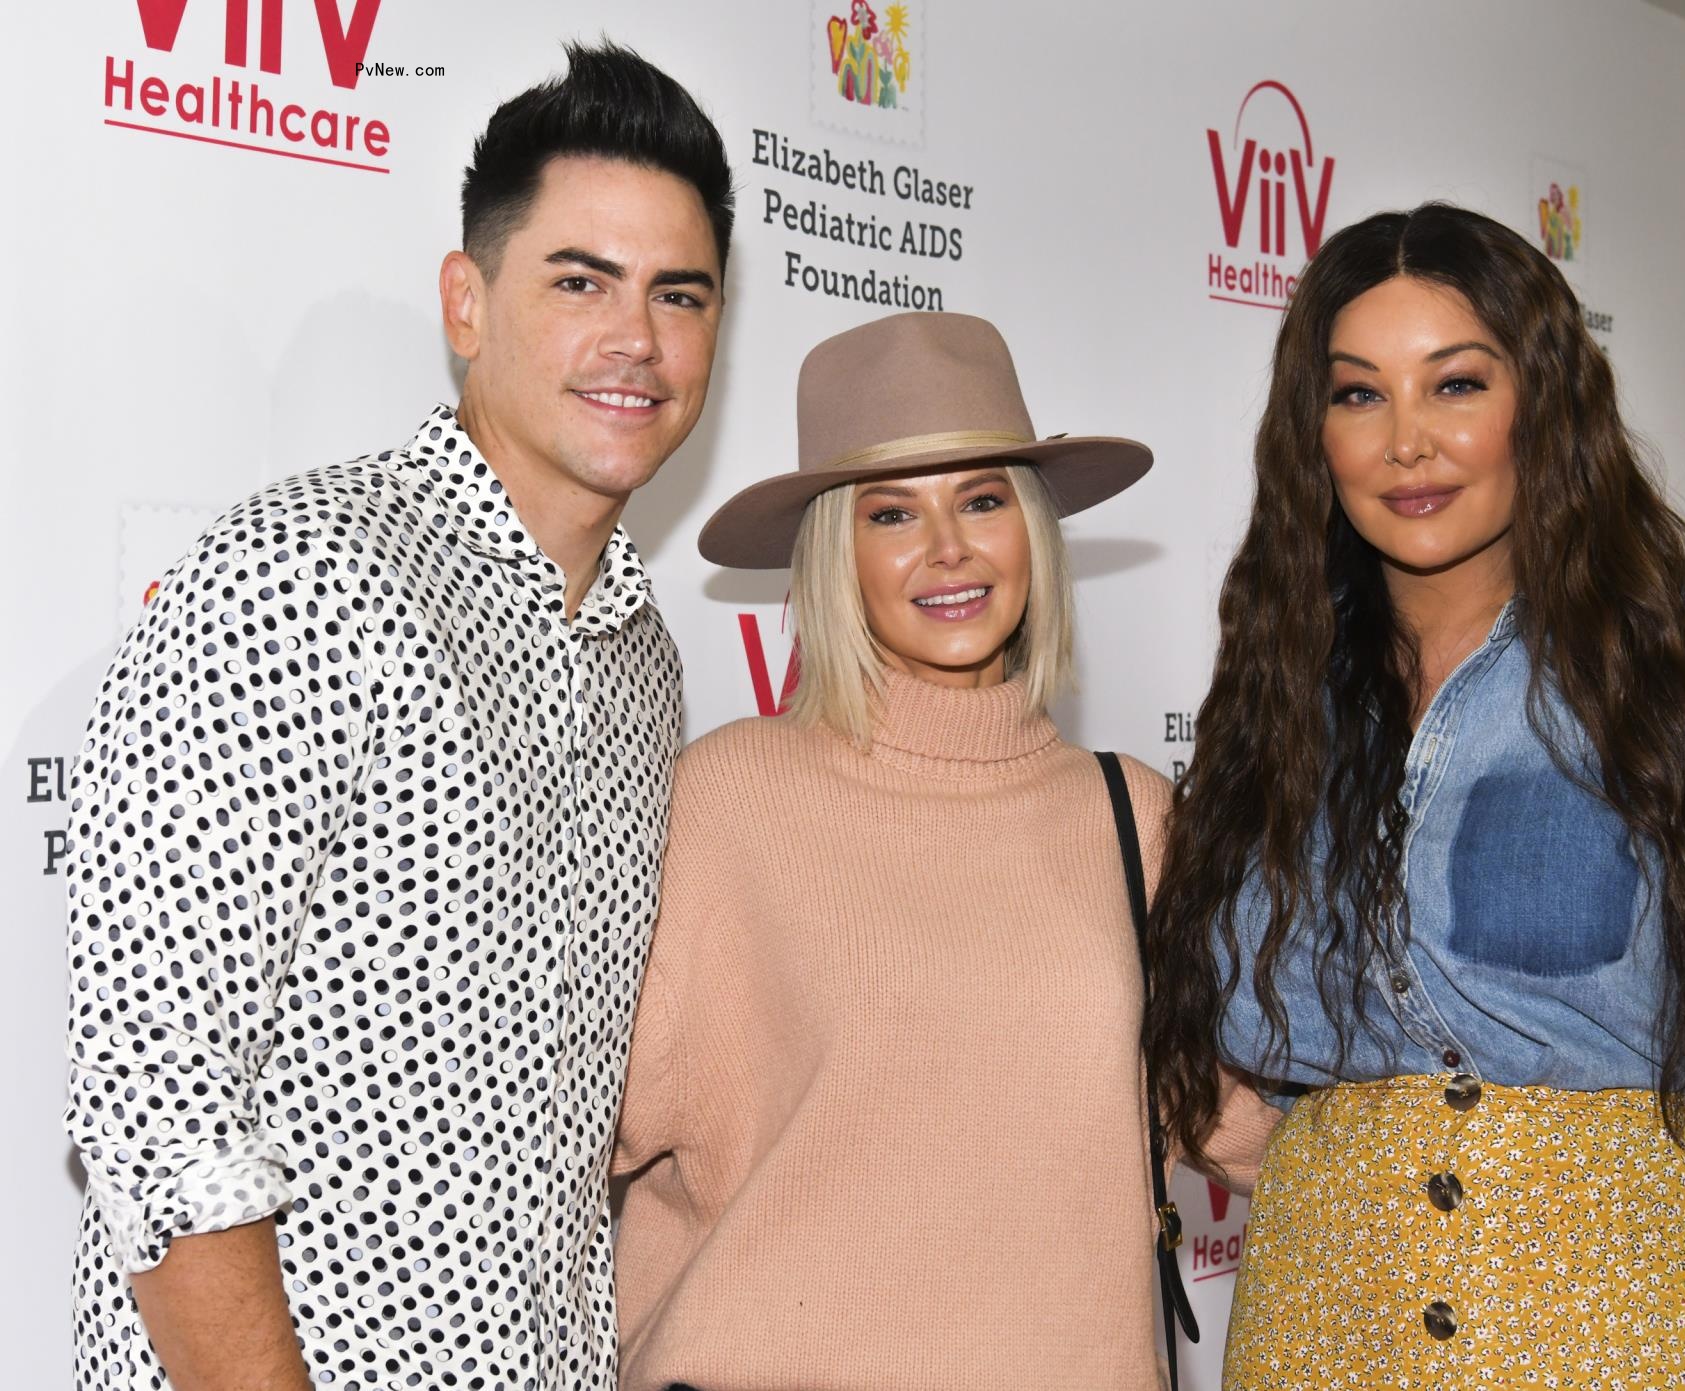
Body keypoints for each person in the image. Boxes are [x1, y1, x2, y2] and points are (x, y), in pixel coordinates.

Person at [64, 42, 731, 1391]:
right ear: (467, 303)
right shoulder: (306, 572)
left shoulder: (645, 660)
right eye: (580, 281)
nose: (637, 341)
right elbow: (157, 1092)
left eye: (680, 294)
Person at [1143, 204, 1685, 1389]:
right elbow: (1221, 1041)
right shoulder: (1281, 689)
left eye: (1456, 384)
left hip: (1618, 1336)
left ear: (1539, 400)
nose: (1407, 443)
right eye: (1358, 394)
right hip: (1315, 1334)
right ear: (1312, 432)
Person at [609, 311, 1275, 1390]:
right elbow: (555, 1124)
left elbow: (1255, 1126)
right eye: (891, 513)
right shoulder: (728, 800)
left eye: (981, 498)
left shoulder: (1135, 816)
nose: (949, 548)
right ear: (838, 552)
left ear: (1032, 530)